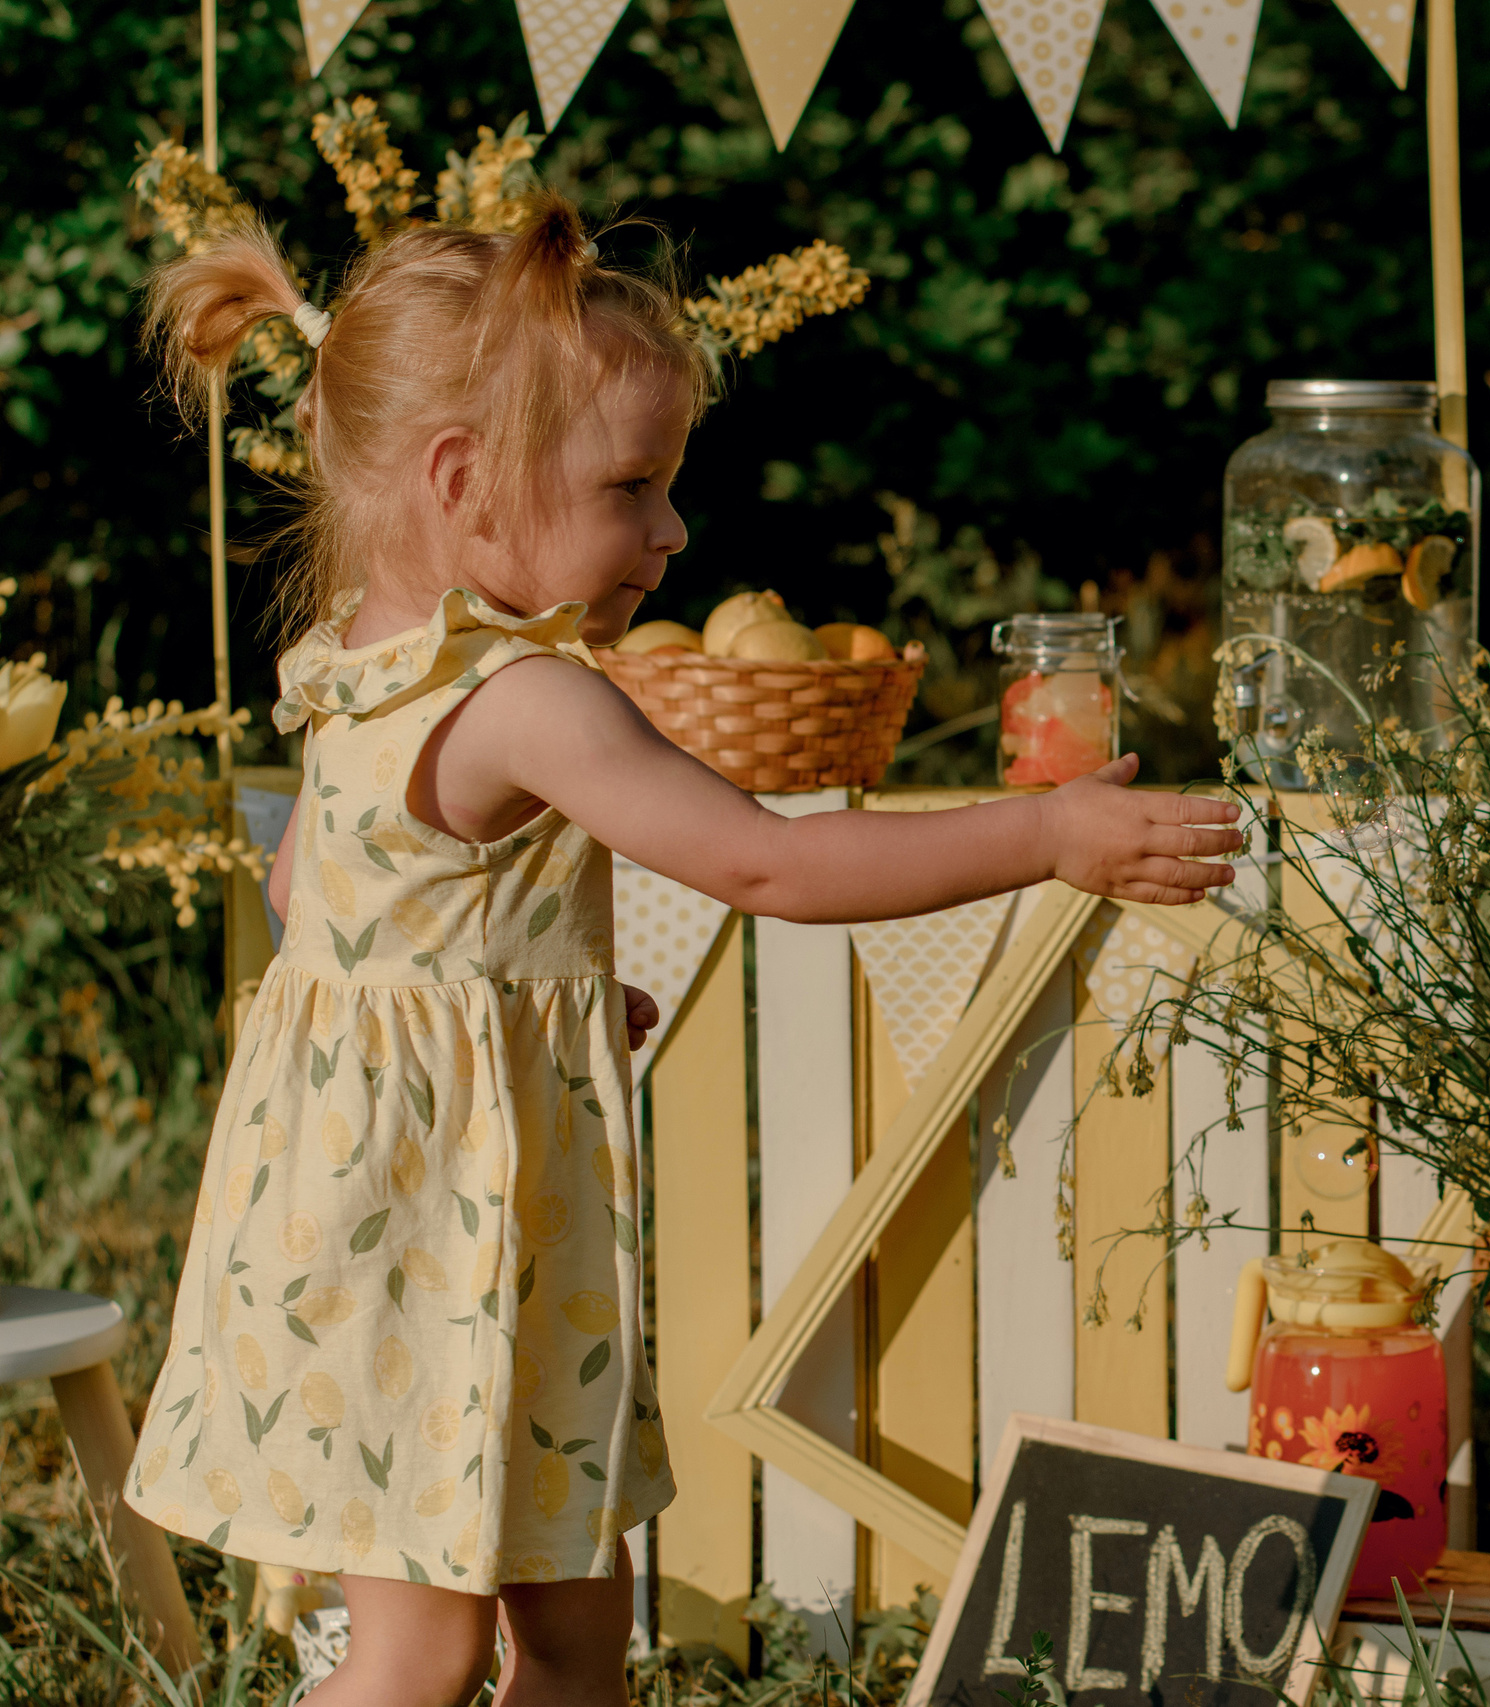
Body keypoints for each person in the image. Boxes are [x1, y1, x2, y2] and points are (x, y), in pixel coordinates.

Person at [124, 194, 1242, 1707]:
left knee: (579, 1634)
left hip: (432, 1223)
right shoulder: (528, 697)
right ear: (464, 483)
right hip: (418, 1253)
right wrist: (1044, 834)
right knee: (423, 1655)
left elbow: (310, 887)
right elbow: (769, 862)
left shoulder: (352, 667)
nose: (672, 531)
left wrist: (511, 998)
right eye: (633, 486)